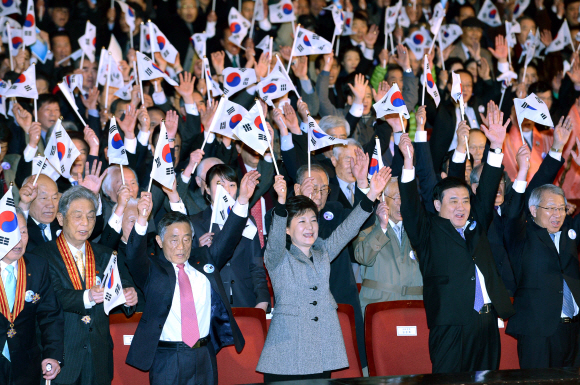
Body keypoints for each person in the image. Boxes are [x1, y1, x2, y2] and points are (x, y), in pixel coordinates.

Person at [398, 108, 515, 373]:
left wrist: (496, 146)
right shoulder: (427, 231)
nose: (461, 207)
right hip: (450, 323)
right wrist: (408, 164)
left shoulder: (476, 226)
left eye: (464, 201)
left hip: (486, 321)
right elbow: (411, 206)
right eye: (453, 201)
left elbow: (485, 191)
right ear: (438, 204)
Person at [124, 170, 261, 385]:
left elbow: (229, 237)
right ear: (160, 242)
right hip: (168, 358)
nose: (181, 246)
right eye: (174, 240)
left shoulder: (204, 261)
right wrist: (141, 219)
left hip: (204, 355)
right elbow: (132, 256)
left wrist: (243, 199)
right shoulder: (153, 270)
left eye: (187, 239)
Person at [257, 168, 390, 381]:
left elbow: (349, 228)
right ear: (287, 230)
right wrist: (281, 203)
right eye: (301, 222)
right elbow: (274, 241)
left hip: (322, 349)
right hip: (287, 352)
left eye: (313, 220)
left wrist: (372, 193)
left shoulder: (323, 252)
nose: (310, 227)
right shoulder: (277, 258)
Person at [33, 186, 138, 385]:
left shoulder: (106, 254)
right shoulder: (41, 256)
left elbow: (123, 287)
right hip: (60, 357)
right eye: (78, 216)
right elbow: (53, 297)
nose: (85, 223)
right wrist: (87, 297)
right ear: (61, 219)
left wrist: (129, 296)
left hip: (98, 356)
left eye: (91, 217)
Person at [504, 181, 580, 367]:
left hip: (573, 329)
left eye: (562, 208)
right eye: (551, 208)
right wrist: (521, 174)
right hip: (537, 331)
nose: (558, 214)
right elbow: (512, 213)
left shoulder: (567, 234)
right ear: (533, 209)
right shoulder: (522, 236)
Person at [192, 164, 269, 311]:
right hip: (211, 304)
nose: (226, 190)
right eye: (220, 184)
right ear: (207, 189)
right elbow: (190, 270)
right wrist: (200, 252)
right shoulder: (195, 223)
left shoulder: (247, 220)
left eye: (232, 185)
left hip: (245, 301)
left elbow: (256, 266)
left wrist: (263, 300)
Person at [0, 208, 64, 385]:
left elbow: (50, 315)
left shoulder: (37, 266)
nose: (19, 239)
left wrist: (52, 354)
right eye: (12, 232)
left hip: (27, 364)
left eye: (23, 231)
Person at [354, 176, 423, 313]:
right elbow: (363, 257)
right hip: (380, 305)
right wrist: (381, 228)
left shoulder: (418, 228)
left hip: (415, 305)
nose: (401, 204)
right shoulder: (366, 227)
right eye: (397, 198)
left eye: (405, 197)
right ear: (382, 198)